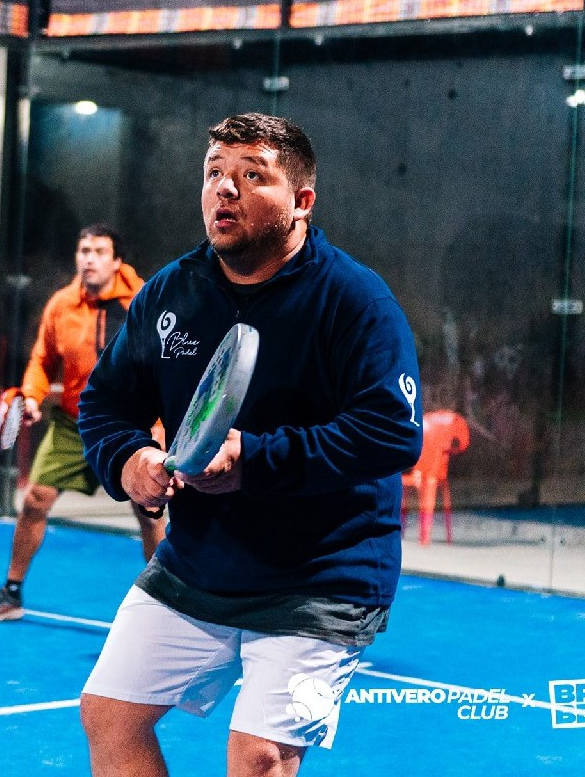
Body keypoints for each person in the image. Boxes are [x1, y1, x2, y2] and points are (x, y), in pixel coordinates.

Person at [76, 113, 423, 776]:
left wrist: (251, 461)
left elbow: (391, 431)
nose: (224, 189)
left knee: (259, 756)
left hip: (325, 574)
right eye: (214, 173)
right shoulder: (170, 293)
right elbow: (105, 404)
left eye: (251, 175)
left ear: (302, 201)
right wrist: (129, 460)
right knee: (107, 714)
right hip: (199, 561)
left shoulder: (356, 300)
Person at [0, 223, 166, 623]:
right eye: (83, 251)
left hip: (132, 424)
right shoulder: (61, 305)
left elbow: (164, 367)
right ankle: (11, 593)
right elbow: (42, 360)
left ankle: (164, 606)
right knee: (35, 499)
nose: (89, 259)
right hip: (74, 424)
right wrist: (32, 396)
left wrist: (160, 427)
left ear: (117, 261)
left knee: (149, 513)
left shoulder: (145, 301)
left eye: (99, 252)